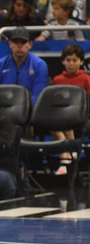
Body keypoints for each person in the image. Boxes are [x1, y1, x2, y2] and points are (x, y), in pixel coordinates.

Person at [50, 43, 90, 172]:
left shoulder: (86, 79)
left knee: (66, 122)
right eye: (68, 60)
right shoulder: (57, 80)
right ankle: (69, 152)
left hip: (81, 116)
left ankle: (65, 160)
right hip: (59, 116)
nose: (71, 63)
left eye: (75, 60)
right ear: (63, 61)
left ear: (81, 62)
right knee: (51, 122)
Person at [0, 26, 49, 106]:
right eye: (16, 42)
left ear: (30, 44)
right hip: (3, 109)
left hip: (28, 110)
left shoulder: (39, 65)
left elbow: (38, 95)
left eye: (23, 42)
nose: (19, 46)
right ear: (10, 44)